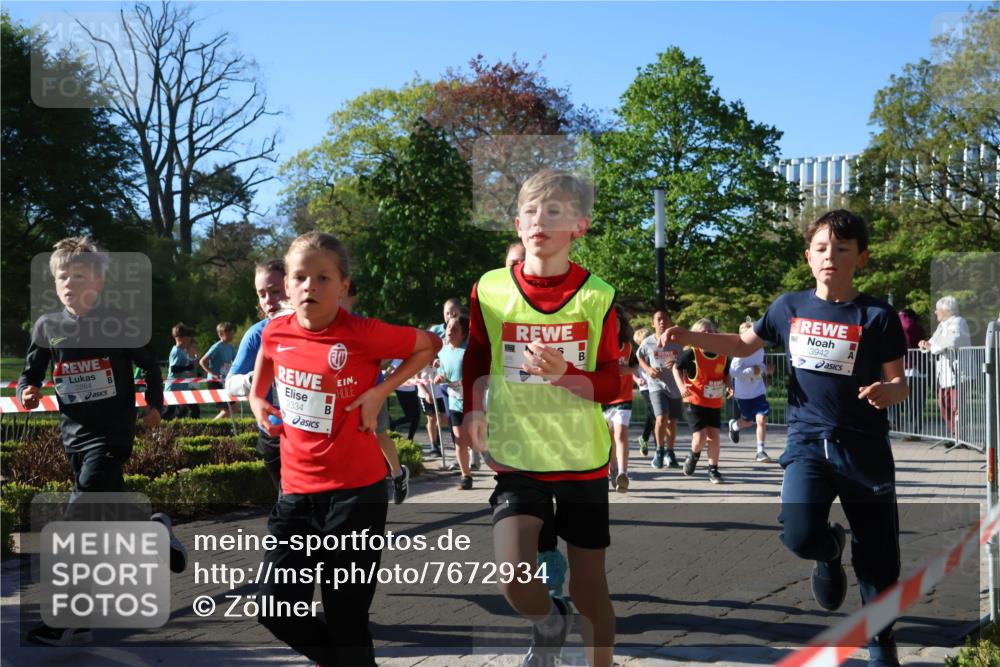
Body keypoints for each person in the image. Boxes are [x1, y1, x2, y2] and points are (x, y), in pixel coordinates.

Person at [659, 209, 908, 667]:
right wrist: (688, 335)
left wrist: (886, 391)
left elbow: (900, 383)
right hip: (808, 443)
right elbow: (741, 344)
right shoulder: (788, 307)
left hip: (864, 447)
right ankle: (830, 550)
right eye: (821, 248)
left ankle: (880, 641)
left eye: (842, 248)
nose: (830, 256)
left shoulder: (877, 315)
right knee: (798, 533)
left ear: (862, 258)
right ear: (808, 256)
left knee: (879, 555)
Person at [248, 231, 440, 666]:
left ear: (344, 286)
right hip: (296, 495)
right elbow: (259, 387)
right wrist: (259, 403)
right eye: (300, 277)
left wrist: (380, 391)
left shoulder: (364, 334)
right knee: (274, 609)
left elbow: (431, 343)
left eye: (322, 278)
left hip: (356, 495)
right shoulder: (275, 332)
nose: (309, 287)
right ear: (288, 284)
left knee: (346, 618)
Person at [462, 170, 620, 667]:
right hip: (518, 454)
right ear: (516, 223)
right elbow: (475, 356)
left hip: (580, 457)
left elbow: (619, 382)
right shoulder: (488, 289)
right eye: (531, 211)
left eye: (554, 212)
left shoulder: (599, 296)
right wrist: (472, 406)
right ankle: (551, 621)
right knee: (513, 580)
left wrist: (570, 375)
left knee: (591, 588)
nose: (540, 221)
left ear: (580, 226)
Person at [17, 236, 184, 646]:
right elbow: (31, 373)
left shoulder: (120, 324)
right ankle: (155, 533)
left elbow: (152, 367)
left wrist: (155, 404)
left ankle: (66, 618)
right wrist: (26, 391)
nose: (70, 284)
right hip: (73, 437)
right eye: (63, 277)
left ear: (99, 282)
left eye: (79, 275)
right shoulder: (47, 328)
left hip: (112, 434)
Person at [339, 281, 409, 504]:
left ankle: (398, 474)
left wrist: (374, 362)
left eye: (343, 296)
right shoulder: (327, 324)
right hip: (343, 395)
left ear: (353, 298)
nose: (338, 301)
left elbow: (390, 353)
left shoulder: (363, 325)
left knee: (378, 434)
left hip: (372, 392)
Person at [226, 259, 290, 492]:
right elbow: (230, 384)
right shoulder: (256, 335)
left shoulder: (317, 327)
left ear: (292, 287)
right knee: (291, 510)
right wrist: (256, 380)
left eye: (275, 292)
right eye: (262, 294)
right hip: (275, 437)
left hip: (315, 436)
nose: (268, 300)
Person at [671, 318, 729, 484]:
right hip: (694, 401)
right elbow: (676, 368)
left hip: (714, 402)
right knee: (700, 438)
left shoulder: (722, 355)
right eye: (703, 332)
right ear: (695, 335)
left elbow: (726, 375)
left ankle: (714, 470)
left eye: (710, 331)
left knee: (714, 437)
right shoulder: (691, 353)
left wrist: (730, 385)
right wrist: (682, 387)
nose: (707, 334)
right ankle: (693, 455)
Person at [918, 296, 971, 438]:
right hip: (944, 374)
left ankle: (960, 436)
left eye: (937, 309)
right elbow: (932, 342)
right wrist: (924, 344)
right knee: (943, 405)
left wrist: (931, 347)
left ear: (946, 310)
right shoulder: (942, 325)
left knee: (957, 407)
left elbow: (952, 341)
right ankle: (954, 434)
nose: (935, 312)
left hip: (958, 373)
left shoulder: (958, 322)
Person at [637, 310, 683, 469]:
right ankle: (659, 451)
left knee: (672, 422)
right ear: (653, 324)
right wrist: (648, 370)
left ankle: (670, 453)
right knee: (661, 418)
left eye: (665, 319)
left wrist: (678, 363)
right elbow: (639, 356)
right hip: (656, 386)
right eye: (659, 319)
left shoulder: (678, 341)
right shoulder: (648, 342)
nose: (662, 322)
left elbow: (688, 356)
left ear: (670, 322)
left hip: (675, 386)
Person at [727, 319, 773, 463]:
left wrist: (766, 369)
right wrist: (752, 371)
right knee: (747, 422)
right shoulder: (740, 353)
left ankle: (760, 451)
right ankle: (734, 426)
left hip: (758, 391)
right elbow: (733, 372)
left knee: (761, 419)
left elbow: (760, 367)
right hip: (743, 394)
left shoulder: (760, 350)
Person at [436, 314, 474, 488]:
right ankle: (465, 476)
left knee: (475, 441)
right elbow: (444, 371)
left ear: (463, 334)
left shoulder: (469, 352)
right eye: (448, 327)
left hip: (474, 402)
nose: (450, 330)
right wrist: (440, 377)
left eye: (455, 329)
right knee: (459, 440)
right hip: (455, 402)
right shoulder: (443, 351)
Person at [605, 305, 637, 492]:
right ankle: (613, 469)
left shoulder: (628, 347)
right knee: (608, 440)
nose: (614, 326)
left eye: (617, 323)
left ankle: (623, 473)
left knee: (620, 434)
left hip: (623, 398)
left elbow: (637, 366)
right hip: (602, 400)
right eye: (610, 323)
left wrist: (628, 370)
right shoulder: (598, 346)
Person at [894, 308, 927, 434]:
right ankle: (902, 427)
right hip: (908, 369)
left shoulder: (910, 325)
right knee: (904, 402)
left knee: (914, 404)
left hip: (915, 370)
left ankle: (914, 432)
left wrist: (901, 315)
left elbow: (907, 325)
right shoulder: (915, 327)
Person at [200, 321, 237, 421]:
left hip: (225, 382)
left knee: (233, 409)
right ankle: (208, 428)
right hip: (214, 382)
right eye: (229, 333)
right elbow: (202, 362)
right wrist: (214, 374)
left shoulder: (231, 347)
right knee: (226, 410)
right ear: (221, 334)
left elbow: (236, 362)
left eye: (232, 332)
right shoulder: (216, 347)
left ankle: (221, 431)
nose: (232, 335)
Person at [162, 322, 200, 419]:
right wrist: (190, 367)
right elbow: (174, 369)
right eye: (187, 338)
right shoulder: (176, 352)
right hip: (174, 388)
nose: (189, 340)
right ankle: (153, 426)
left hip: (181, 388)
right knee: (171, 412)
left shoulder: (181, 351)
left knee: (185, 411)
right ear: (179, 338)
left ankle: (180, 429)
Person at [632, 327, 655, 455]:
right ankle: (653, 443)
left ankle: (645, 439)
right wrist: (637, 380)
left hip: (656, 386)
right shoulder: (637, 354)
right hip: (645, 386)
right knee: (654, 413)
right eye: (645, 339)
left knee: (654, 414)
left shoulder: (654, 351)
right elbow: (632, 371)